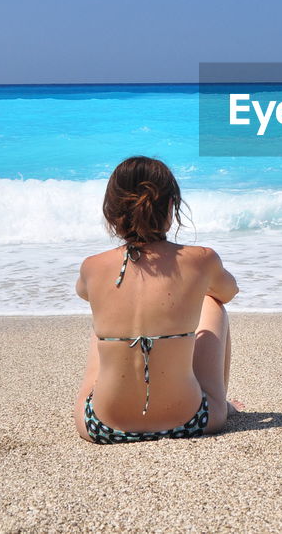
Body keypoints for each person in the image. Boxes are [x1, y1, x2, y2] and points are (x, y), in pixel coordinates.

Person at [74, 155, 240, 443]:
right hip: (194, 421)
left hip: (99, 426)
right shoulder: (201, 259)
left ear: (111, 212)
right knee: (212, 304)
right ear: (171, 207)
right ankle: (220, 403)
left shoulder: (92, 266)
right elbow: (229, 292)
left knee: (101, 321)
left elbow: (83, 293)